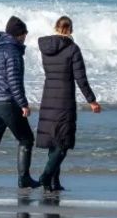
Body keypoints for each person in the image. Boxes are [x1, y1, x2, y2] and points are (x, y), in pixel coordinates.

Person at [0, 15, 41, 190]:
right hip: (8, 103)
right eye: (24, 34)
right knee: (26, 138)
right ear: (19, 34)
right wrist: (24, 104)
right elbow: (13, 81)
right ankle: (24, 180)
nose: (25, 37)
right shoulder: (13, 52)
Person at [36, 16, 101, 192]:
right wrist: (92, 100)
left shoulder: (45, 48)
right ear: (71, 30)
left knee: (53, 142)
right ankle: (45, 177)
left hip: (48, 95)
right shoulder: (72, 49)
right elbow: (80, 78)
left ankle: (53, 183)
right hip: (64, 99)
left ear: (55, 27)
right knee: (62, 144)